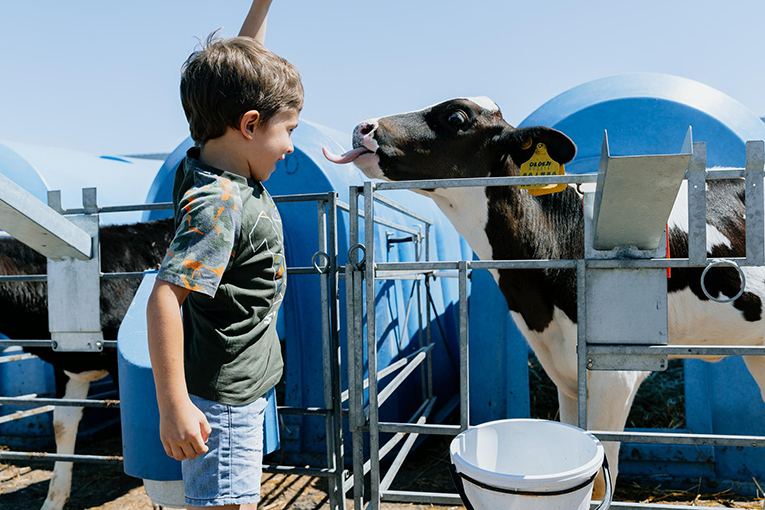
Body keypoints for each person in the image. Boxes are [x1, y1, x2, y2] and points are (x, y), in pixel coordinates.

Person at [146, 1, 302, 508]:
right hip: (225, 405)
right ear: (251, 125)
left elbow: (242, 66)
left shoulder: (212, 157)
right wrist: (173, 405)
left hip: (243, 387)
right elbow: (166, 297)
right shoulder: (218, 204)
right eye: (290, 130)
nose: (291, 148)